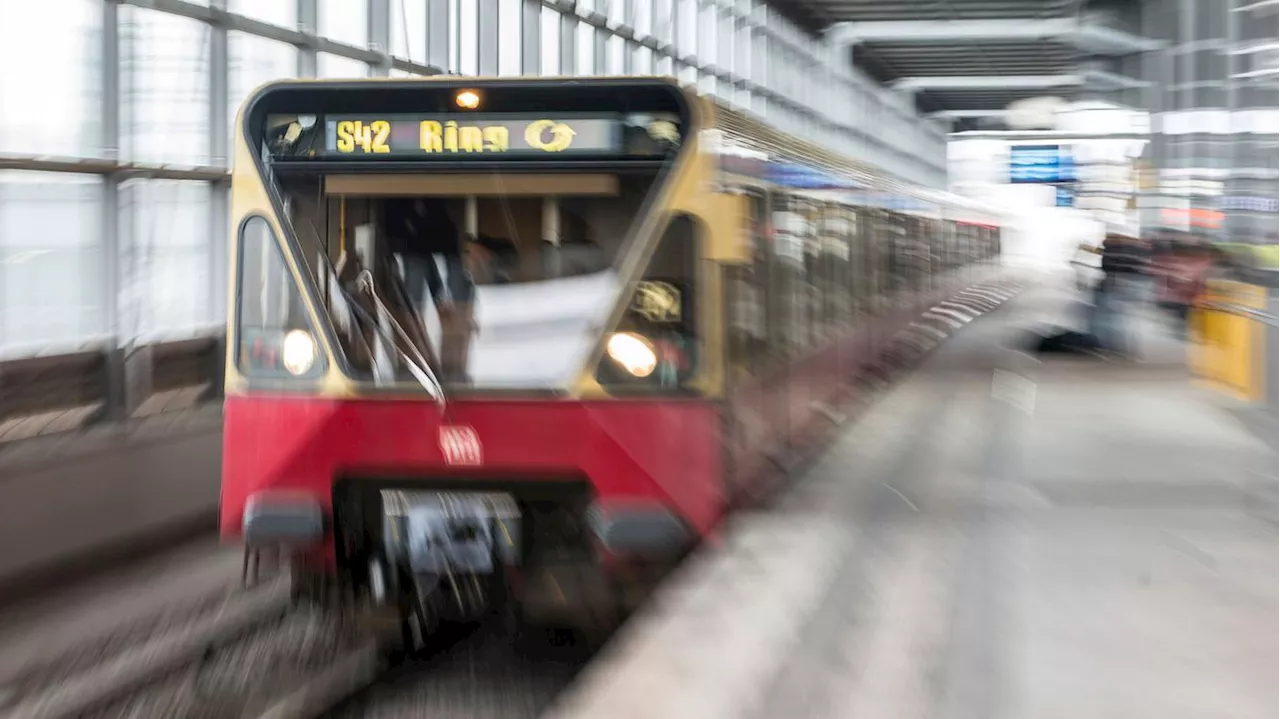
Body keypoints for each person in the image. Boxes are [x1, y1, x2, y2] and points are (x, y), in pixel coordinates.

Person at [383, 198, 476, 383]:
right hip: (412, 253)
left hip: (440, 253)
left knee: (446, 309)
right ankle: (413, 365)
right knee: (412, 306)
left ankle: (450, 367)